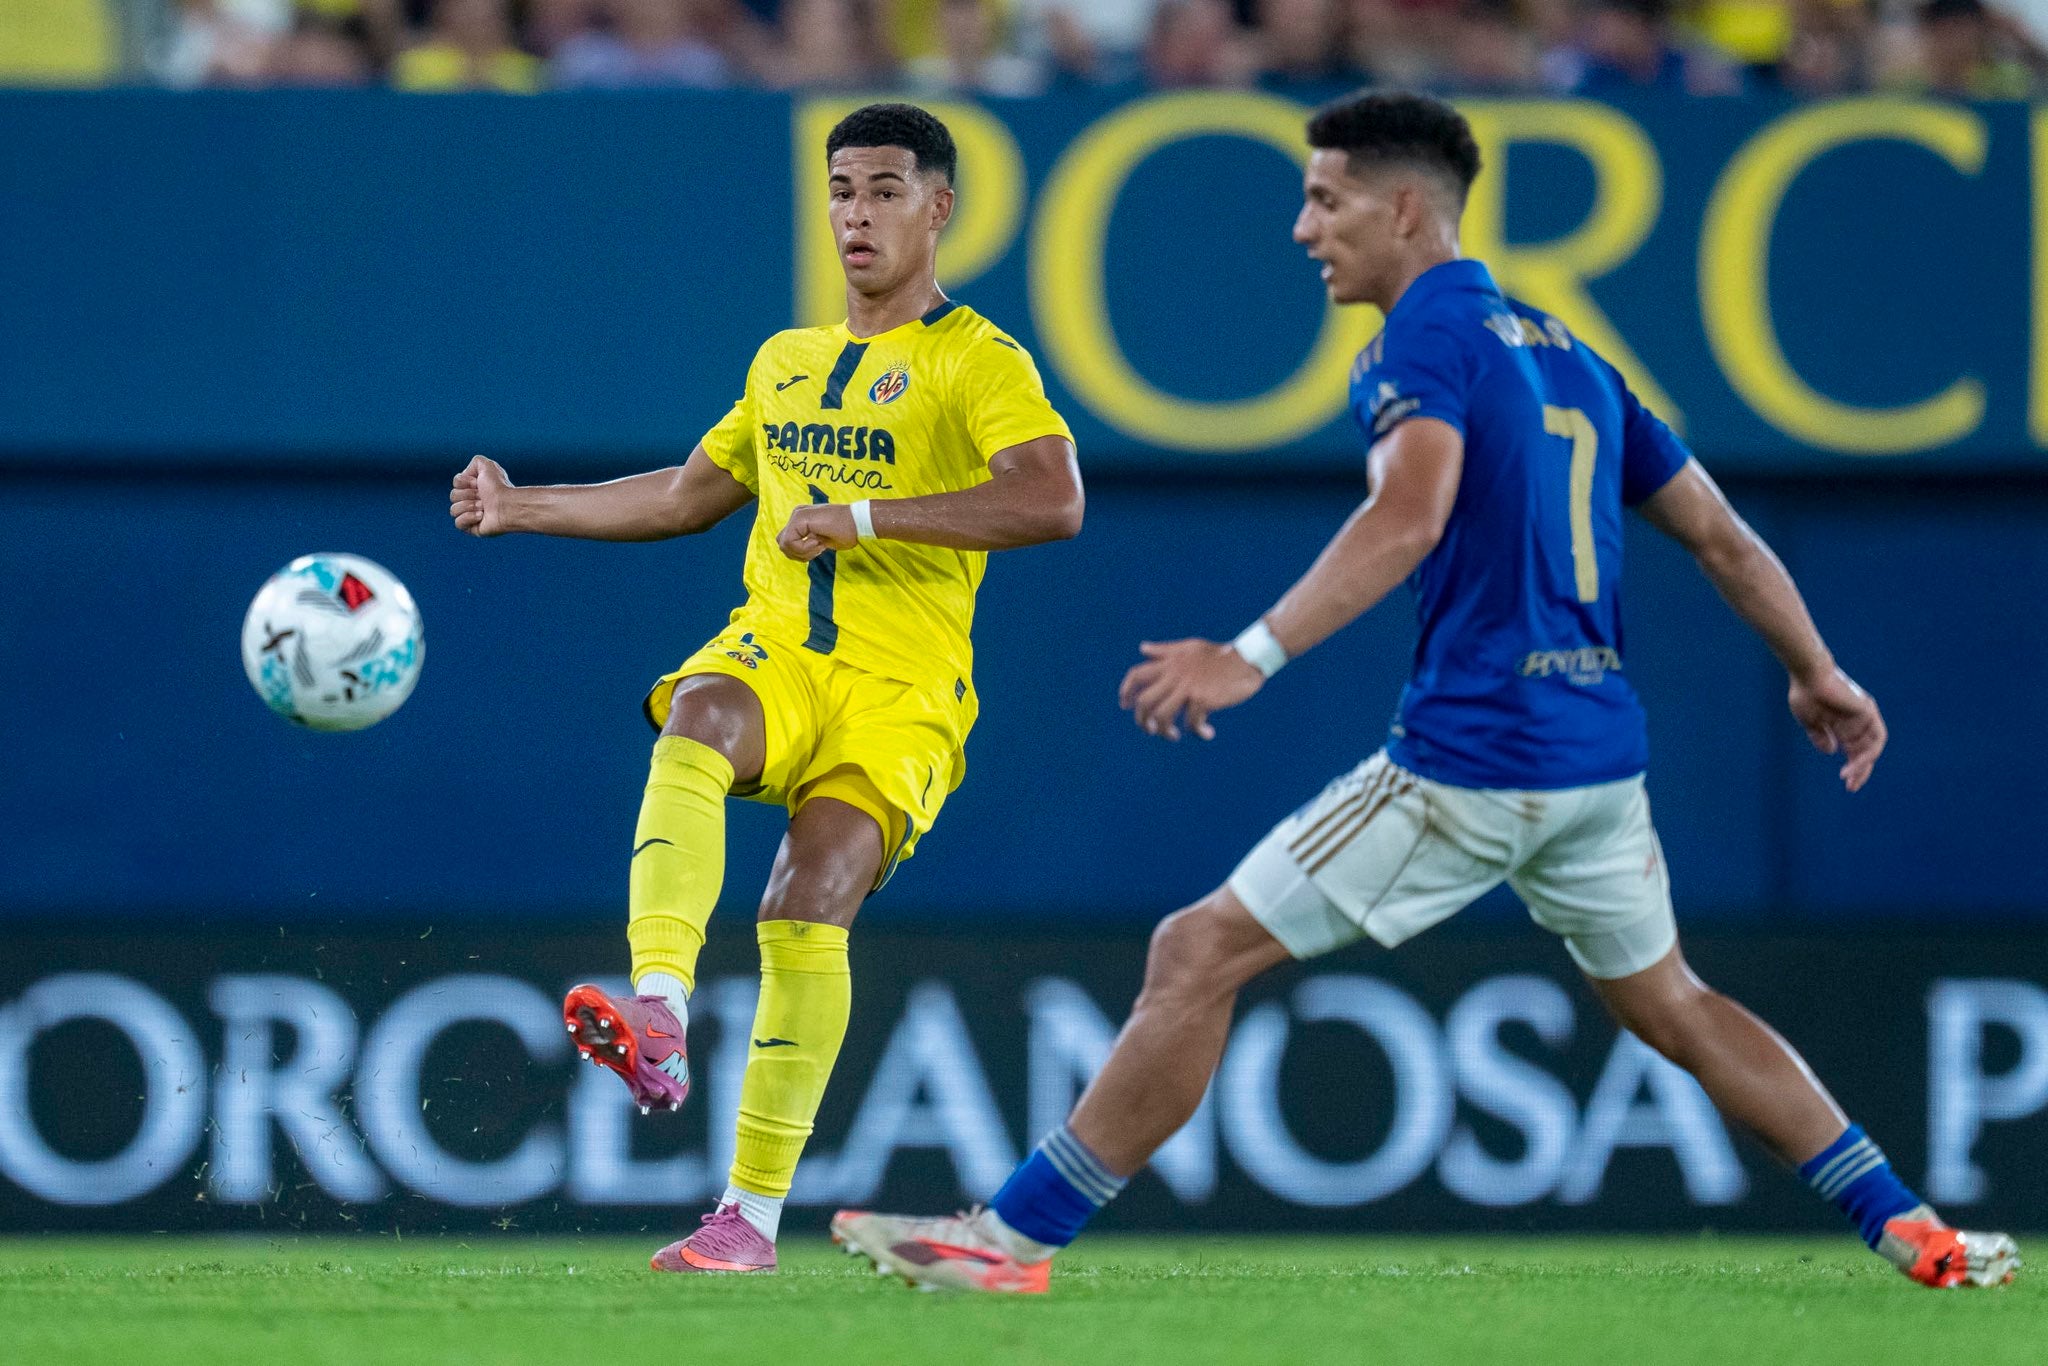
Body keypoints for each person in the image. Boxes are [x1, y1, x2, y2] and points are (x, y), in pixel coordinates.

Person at [830, 89, 2020, 1295]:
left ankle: (1009, 1241)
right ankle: (1907, 1223)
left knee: (1194, 950)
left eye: (1324, 200)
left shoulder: (1418, 343)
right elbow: (1719, 535)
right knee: (1671, 1001)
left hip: (1476, 756)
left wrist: (1250, 653)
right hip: (1596, 759)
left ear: (1403, 209)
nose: (1303, 228)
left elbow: (1407, 513)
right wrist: (1815, 668)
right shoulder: (1568, 353)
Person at [449, 103, 1082, 1274]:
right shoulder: (782, 361)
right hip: (780, 648)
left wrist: (865, 518)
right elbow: (686, 494)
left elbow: (1052, 498)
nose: (856, 214)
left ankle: (745, 1219)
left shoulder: (977, 360)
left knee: (806, 901)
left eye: (884, 189)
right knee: (696, 714)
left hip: (902, 687)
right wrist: (520, 504)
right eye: (841, 189)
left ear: (939, 208)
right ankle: (657, 1010)